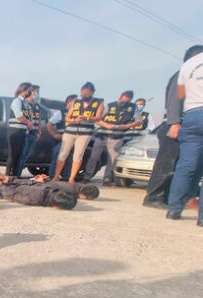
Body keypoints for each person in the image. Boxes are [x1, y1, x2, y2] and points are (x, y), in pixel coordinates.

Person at [144, 49, 200, 209]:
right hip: (174, 125)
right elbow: (174, 100)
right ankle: (153, 197)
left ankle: (169, 198)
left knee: (178, 165)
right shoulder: (183, 75)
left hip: (186, 125)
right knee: (166, 164)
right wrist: (174, 123)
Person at [166, 45, 203, 227]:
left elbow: (181, 95)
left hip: (191, 115)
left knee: (185, 166)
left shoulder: (186, 67)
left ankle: (174, 209)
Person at [84, 91, 140, 186]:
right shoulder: (110, 106)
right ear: (120, 97)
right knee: (94, 157)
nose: (125, 102)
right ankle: (87, 177)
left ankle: (107, 179)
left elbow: (139, 121)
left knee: (112, 159)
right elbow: (97, 119)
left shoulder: (133, 108)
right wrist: (107, 125)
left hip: (117, 137)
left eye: (128, 100)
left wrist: (127, 125)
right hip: (102, 135)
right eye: (124, 99)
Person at [54, 82, 104, 183]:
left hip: (85, 133)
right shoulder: (76, 102)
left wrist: (87, 118)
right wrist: (72, 120)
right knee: (63, 154)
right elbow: (67, 117)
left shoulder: (98, 104)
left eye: (86, 94)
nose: (84, 96)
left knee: (78, 155)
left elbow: (98, 117)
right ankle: (56, 176)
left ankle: (72, 178)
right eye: (82, 94)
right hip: (70, 131)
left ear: (92, 93)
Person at [0, 173, 99, 201]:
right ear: (85, 195)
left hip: (27, 184)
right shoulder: (70, 191)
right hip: (23, 187)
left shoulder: (71, 186)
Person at [6, 82, 34, 176]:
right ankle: (8, 176)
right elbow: (19, 116)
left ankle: (15, 176)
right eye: (29, 90)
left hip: (23, 132)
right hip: (15, 131)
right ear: (24, 90)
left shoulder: (26, 103)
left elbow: (28, 116)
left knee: (19, 156)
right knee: (13, 155)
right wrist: (28, 122)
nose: (31, 92)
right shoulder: (17, 101)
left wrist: (30, 123)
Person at [48, 95, 77, 177]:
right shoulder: (60, 112)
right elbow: (49, 124)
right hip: (62, 140)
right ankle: (52, 176)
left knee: (70, 159)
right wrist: (55, 134)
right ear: (69, 102)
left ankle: (66, 176)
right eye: (75, 102)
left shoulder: (77, 113)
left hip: (73, 139)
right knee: (58, 156)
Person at [17, 85, 42, 177]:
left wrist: (39, 132)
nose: (38, 94)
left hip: (34, 133)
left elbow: (39, 120)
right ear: (31, 92)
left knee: (26, 155)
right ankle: (16, 174)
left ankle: (18, 174)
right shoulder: (24, 104)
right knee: (22, 155)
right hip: (26, 133)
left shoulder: (37, 106)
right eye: (37, 92)